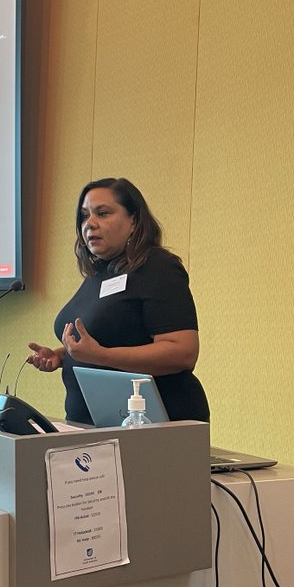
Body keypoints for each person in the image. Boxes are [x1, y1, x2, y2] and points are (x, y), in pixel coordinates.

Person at [27, 177, 210, 424]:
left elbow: (183, 352)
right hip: (93, 424)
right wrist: (63, 355)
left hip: (152, 426)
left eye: (102, 213)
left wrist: (100, 355)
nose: (90, 223)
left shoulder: (158, 267)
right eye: (84, 216)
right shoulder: (100, 273)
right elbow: (115, 336)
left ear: (133, 220)